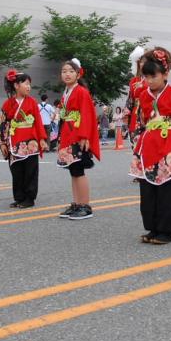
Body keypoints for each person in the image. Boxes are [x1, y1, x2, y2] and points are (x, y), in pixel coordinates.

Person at [129, 47, 171, 245]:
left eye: (153, 76)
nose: (149, 81)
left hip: (168, 146)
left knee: (167, 190)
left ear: (165, 73)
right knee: (147, 189)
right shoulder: (143, 95)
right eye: (146, 76)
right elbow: (141, 121)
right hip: (149, 145)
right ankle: (152, 227)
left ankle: (167, 230)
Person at [56, 58, 101, 220]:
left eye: (71, 71)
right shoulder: (67, 92)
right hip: (68, 134)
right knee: (73, 170)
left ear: (78, 74)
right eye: (64, 71)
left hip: (77, 134)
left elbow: (87, 114)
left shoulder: (81, 91)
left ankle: (85, 205)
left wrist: (84, 136)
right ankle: (76, 203)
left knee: (79, 170)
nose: (67, 74)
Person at [0, 69, 47, 209]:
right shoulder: (7, 104)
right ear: (16, 85)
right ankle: (19, 197)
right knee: (16, 171)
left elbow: (38, 121)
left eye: (29, 84)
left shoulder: (32, 102)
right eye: (26, 83)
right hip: (13, 141)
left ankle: (29, 198)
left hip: (31, 141)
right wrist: (2, 142)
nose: (28, 87)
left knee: (31, 171)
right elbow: (3, 124)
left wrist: (42, 139)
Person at [125, 46, 147, 147]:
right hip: (136, 112)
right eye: (141, 61)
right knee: (137, 146)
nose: (144, 64)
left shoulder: (155, 80)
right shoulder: (134, 81)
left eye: (147, 61)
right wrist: (126, 112)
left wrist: (144, 86)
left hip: (149, 112)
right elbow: (130, 100)